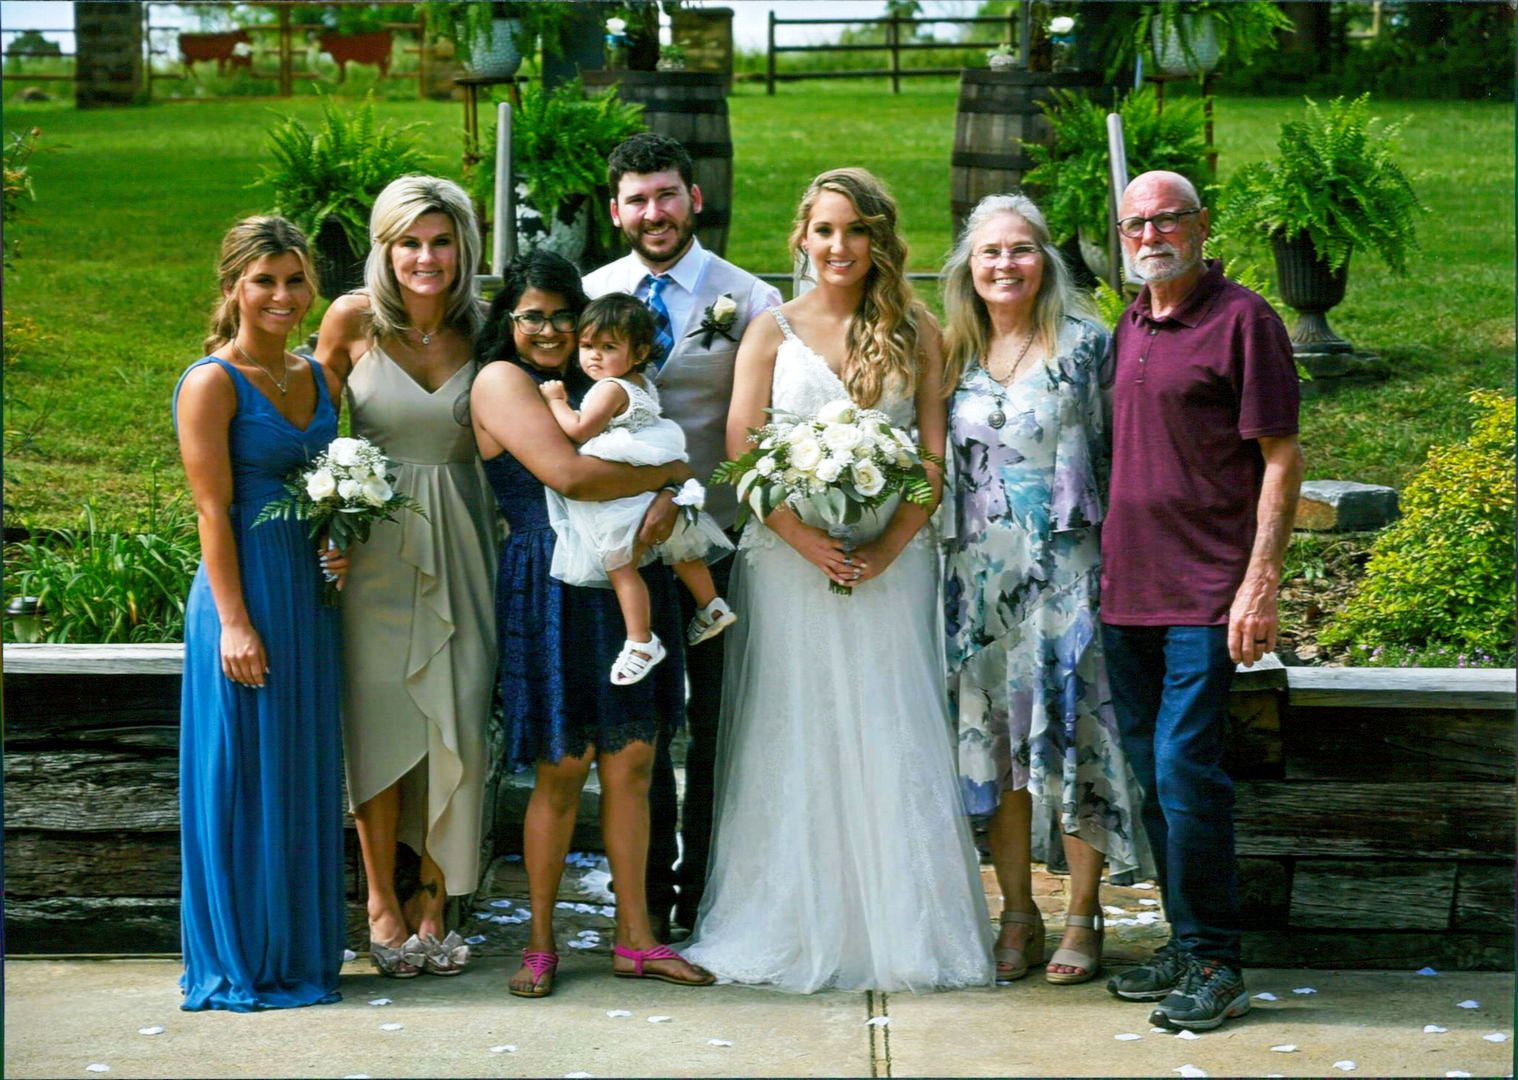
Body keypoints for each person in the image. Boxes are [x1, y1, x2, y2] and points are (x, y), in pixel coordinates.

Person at [679, 168, 994, 993]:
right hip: (789, 566)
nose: (839, 245)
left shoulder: (917, 330)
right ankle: (790, 918)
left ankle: (902, 925)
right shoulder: (770, 330)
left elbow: (931, 459)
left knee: (893, 727)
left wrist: (887, 545)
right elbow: (742, 451)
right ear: (801, 236)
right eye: (824, 229)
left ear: (880, 239)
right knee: (794, 730)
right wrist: (805, 540)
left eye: (856, 230)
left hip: (891, 567)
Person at [471, 251, 716, 998]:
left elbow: (669, 464)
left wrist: (672, 491)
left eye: (561, 315)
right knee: (562, 768)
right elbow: (570, 476)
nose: (549, 330)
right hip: (552, 584)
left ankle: (635, 938)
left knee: (634, 765)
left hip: (627, 577)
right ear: (509, 319)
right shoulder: (502, 381)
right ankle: (540, 941)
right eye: (532, 316)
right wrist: (668, 477)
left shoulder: (602, 382)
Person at [1101, 171, 1302, 1030]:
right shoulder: (1130, 324)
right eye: (1135, 224)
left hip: (1205, 593)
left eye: (1168, 220)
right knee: (1153, 779)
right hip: (1126, 592)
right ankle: (1186, 944)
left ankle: (1219, 960)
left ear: (1202, 224)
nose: (1151, 236)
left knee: (1187, 772)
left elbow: (1282, 459)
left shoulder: (1245, 321)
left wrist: (1260, 581)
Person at [939, 194, 1151, 987]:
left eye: (1021, 249)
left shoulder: (1086, 346)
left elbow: (1125, 456)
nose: (1006, 264)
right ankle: (1018, 914)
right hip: (977, 582)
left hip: (1067, 576)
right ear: (968, 266)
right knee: (996, 750)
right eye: (990, 251)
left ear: (1046, 260)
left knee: (1075, 741)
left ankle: (1083, 914)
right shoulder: (952, 354)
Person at [583, 132, 781, 935]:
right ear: (615, 211)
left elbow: (762, 430)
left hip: (718, 544)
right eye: (637, 199)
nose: (653, 212)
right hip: (622, 553)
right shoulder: (592, 295)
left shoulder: (751, 299)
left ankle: (709, 891)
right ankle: (647, 903)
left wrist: (689, 495)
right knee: (639, 728)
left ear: (694, 198)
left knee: (718, 726)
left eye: (666, 194)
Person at [315, 175, 498, 978]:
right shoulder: (351, 320)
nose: (427, 258)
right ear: (385, 251)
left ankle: (435, 898)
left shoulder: (488, 329)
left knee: (457, 715)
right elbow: (306, 429)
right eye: (409, 243)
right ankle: (380, 902)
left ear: (464, 247)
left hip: (467, 539)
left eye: (441, 241)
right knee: (380, 718)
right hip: (374, 549)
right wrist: (322, 524)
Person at [175, 216, 347, 1011]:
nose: (284, 295)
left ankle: (297, 950)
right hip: (242, 593)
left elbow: (326, 488)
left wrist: (339, 543)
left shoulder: (317, 375)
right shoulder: (212, 383)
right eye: (265, 281)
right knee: (243, 770)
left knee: (299, 766)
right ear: (233, 286)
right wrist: (236, 623)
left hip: (309, 597)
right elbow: (212, 510)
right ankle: (243, 952)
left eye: (295, 280)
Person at [541, 293, 736, 685]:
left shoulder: (609, 388)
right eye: (587, 346)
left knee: (620, 564)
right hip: (651, 476)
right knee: (679, 547)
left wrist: (556, 401)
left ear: (640, 351)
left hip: (624, 486)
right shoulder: (640, 384)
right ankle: (711, 604)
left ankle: (641, 640)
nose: (594, 356)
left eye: (608, 347)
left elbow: (579, 430)